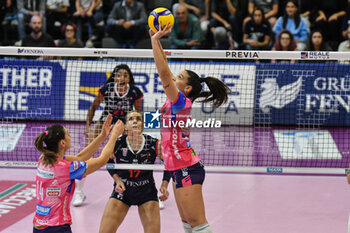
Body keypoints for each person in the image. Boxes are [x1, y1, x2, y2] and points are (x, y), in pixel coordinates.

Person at [149, 24, 230, 232]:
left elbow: (163, 73)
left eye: (179, 78)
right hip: (177, 166)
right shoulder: (177, 99)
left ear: (187, 89)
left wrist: (153, 41)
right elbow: (166, 68)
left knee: (198, 224)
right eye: (175, 76)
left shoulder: (180, 102)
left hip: (187, 167)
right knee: (187, 224)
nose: (173, 78)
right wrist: (156, 39)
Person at [32, 114, 125, 233]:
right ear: (62, 143)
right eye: (68, 134)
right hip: (57, 227)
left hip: (39, 226)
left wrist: (102, 136)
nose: (70, 136)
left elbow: (80, 157)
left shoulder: (43, 159)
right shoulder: (66, 168)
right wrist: (115, 136)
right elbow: (103, 159)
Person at [72, 64, 143, 206]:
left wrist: (138, 131)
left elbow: (138, 113)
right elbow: (93, 107)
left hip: (124, 123)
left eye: (125, 75)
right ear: (114, 77)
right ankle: (79, 191)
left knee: (134, 153)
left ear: (129, 78)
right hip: (106, 121)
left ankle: (142, 190)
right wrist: (88, 128)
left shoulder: (135, 92)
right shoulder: (106, 89)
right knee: (87, 152)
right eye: (118, 75)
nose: (121, 77)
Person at [99, 111, 171, 233]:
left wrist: (164, 185)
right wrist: (117, 180)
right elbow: (108, 161)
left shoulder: (153, 143)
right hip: (123, 192)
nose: (135, 121)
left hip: (146, 193)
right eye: (131, 119)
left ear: (142, 124)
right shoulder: (117, 143)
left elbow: (169, 163)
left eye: (138, 119)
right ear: (125, 126)